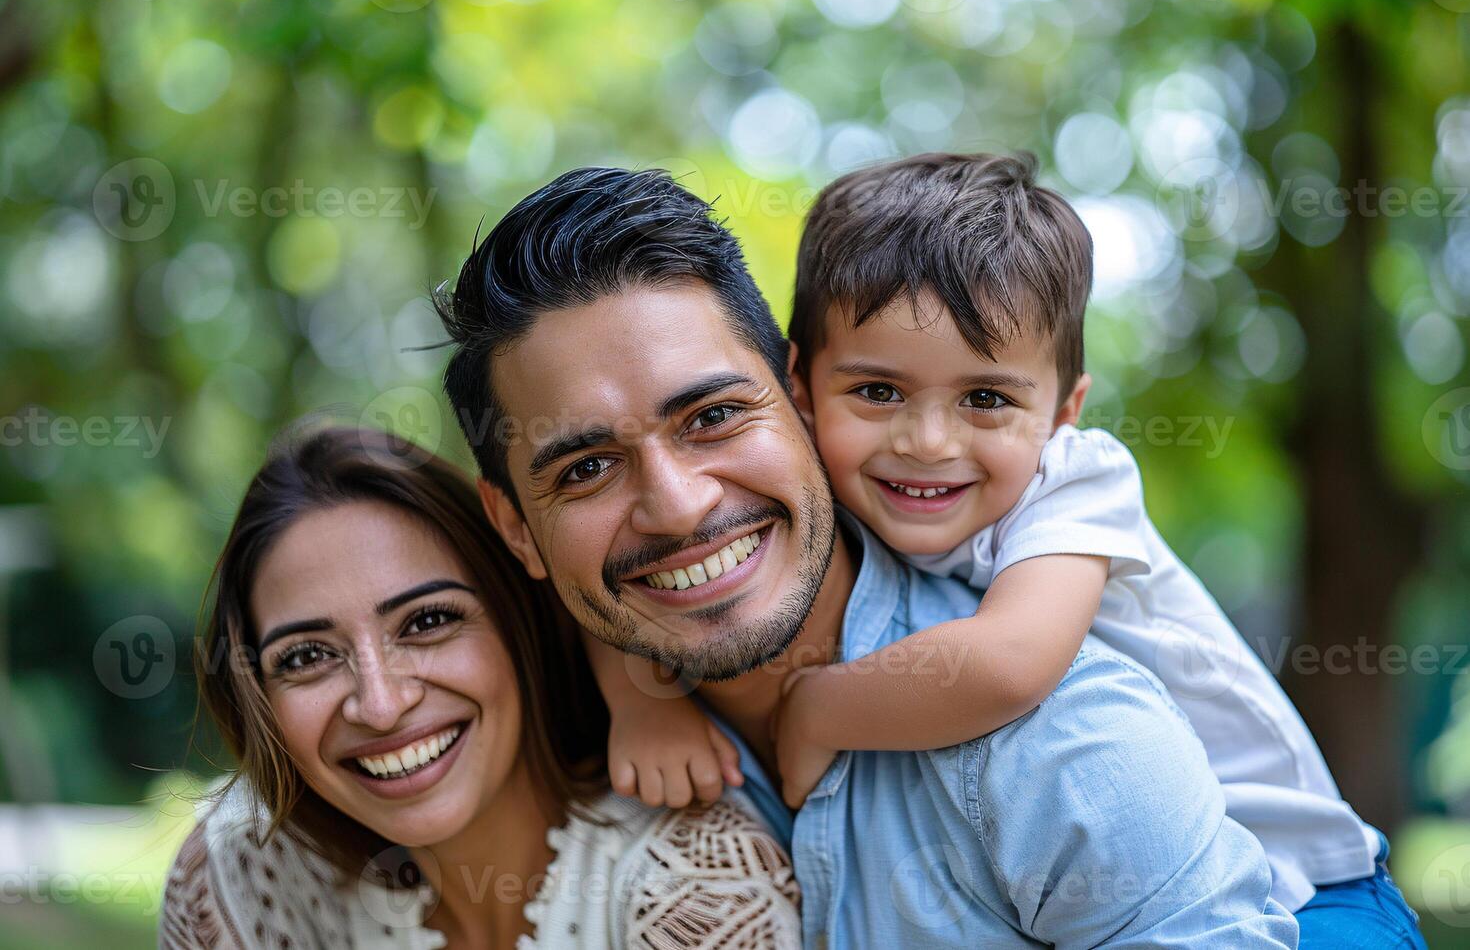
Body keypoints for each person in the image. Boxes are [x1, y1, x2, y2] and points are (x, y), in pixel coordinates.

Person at [435, 166, 1299, 946]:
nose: (677, 505)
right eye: (587, 467)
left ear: (794, 399)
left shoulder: (1058, 737)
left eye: (712, 417)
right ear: (518, 530)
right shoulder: (545, 754)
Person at [160, 426, 801, 949]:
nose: (382, 706)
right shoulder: (233, 881)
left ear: (517, 616)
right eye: (306, 657)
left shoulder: (701, 894)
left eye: (428, 621)